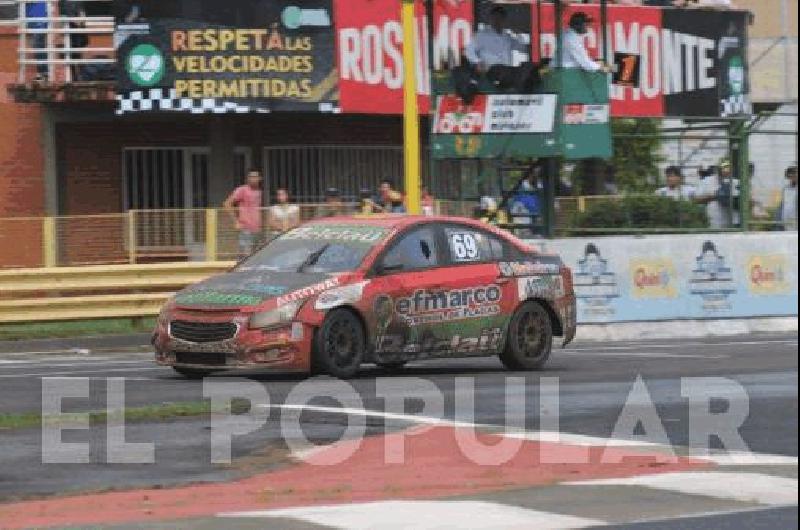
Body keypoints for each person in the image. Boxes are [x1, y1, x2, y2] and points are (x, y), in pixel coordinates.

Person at [456, 5, 541, 102]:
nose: (497, 20)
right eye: (494, 17)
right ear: (490, 18)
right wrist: (477, 62)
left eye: (500, 18)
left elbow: (523, 48)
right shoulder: (482, 35)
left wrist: (519, 35)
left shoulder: (507, 36)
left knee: (525, 70)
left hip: (507, 71)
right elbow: (469, 51)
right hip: (491, 71)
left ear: (504, 19)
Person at [223, 170, 264, 258]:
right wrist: (236, 221)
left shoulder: (259, 192)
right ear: (248, 179)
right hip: (246, 228)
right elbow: (227, 203)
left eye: (255, 177)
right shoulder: (242, 190)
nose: (253, 179)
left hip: (257, 229)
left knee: (256, 256)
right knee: (246, 256)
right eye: (251, 177)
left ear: (260, 179)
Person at [695, 160, 740, 229]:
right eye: (723, 168)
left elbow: (747, 201)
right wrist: (714, 196)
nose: (725, 171)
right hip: (713, 221)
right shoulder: (706, 181)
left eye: (728, 168)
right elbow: (697, 200)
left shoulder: (736, 182)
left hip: (732, 221)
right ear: (718, 169)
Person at [25, 1, 49, 81]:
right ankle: (42, 72)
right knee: (37, 46)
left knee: (38, 44)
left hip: (40, 16)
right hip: (31, 17)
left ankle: (44, 72)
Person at [776, 165, 797, 231]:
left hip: (795, 221)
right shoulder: (786, 189)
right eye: (790, 175)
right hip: (786, 221)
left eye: (794, 174)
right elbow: (783, 204)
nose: (793, 177)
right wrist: (779, 220)